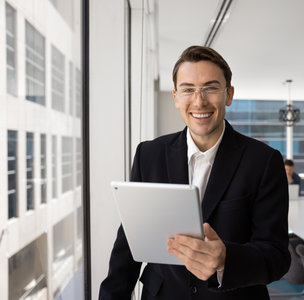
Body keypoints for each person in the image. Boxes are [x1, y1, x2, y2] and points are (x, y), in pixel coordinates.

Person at [99, 45, 290, 299]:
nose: (199, 101)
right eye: (188, 89)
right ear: (176, 97)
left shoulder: (264, 161)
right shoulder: (149, 155)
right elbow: (128, 243)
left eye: (210, 88)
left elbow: (277, 256)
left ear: (228, 95)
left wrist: (226, 259)